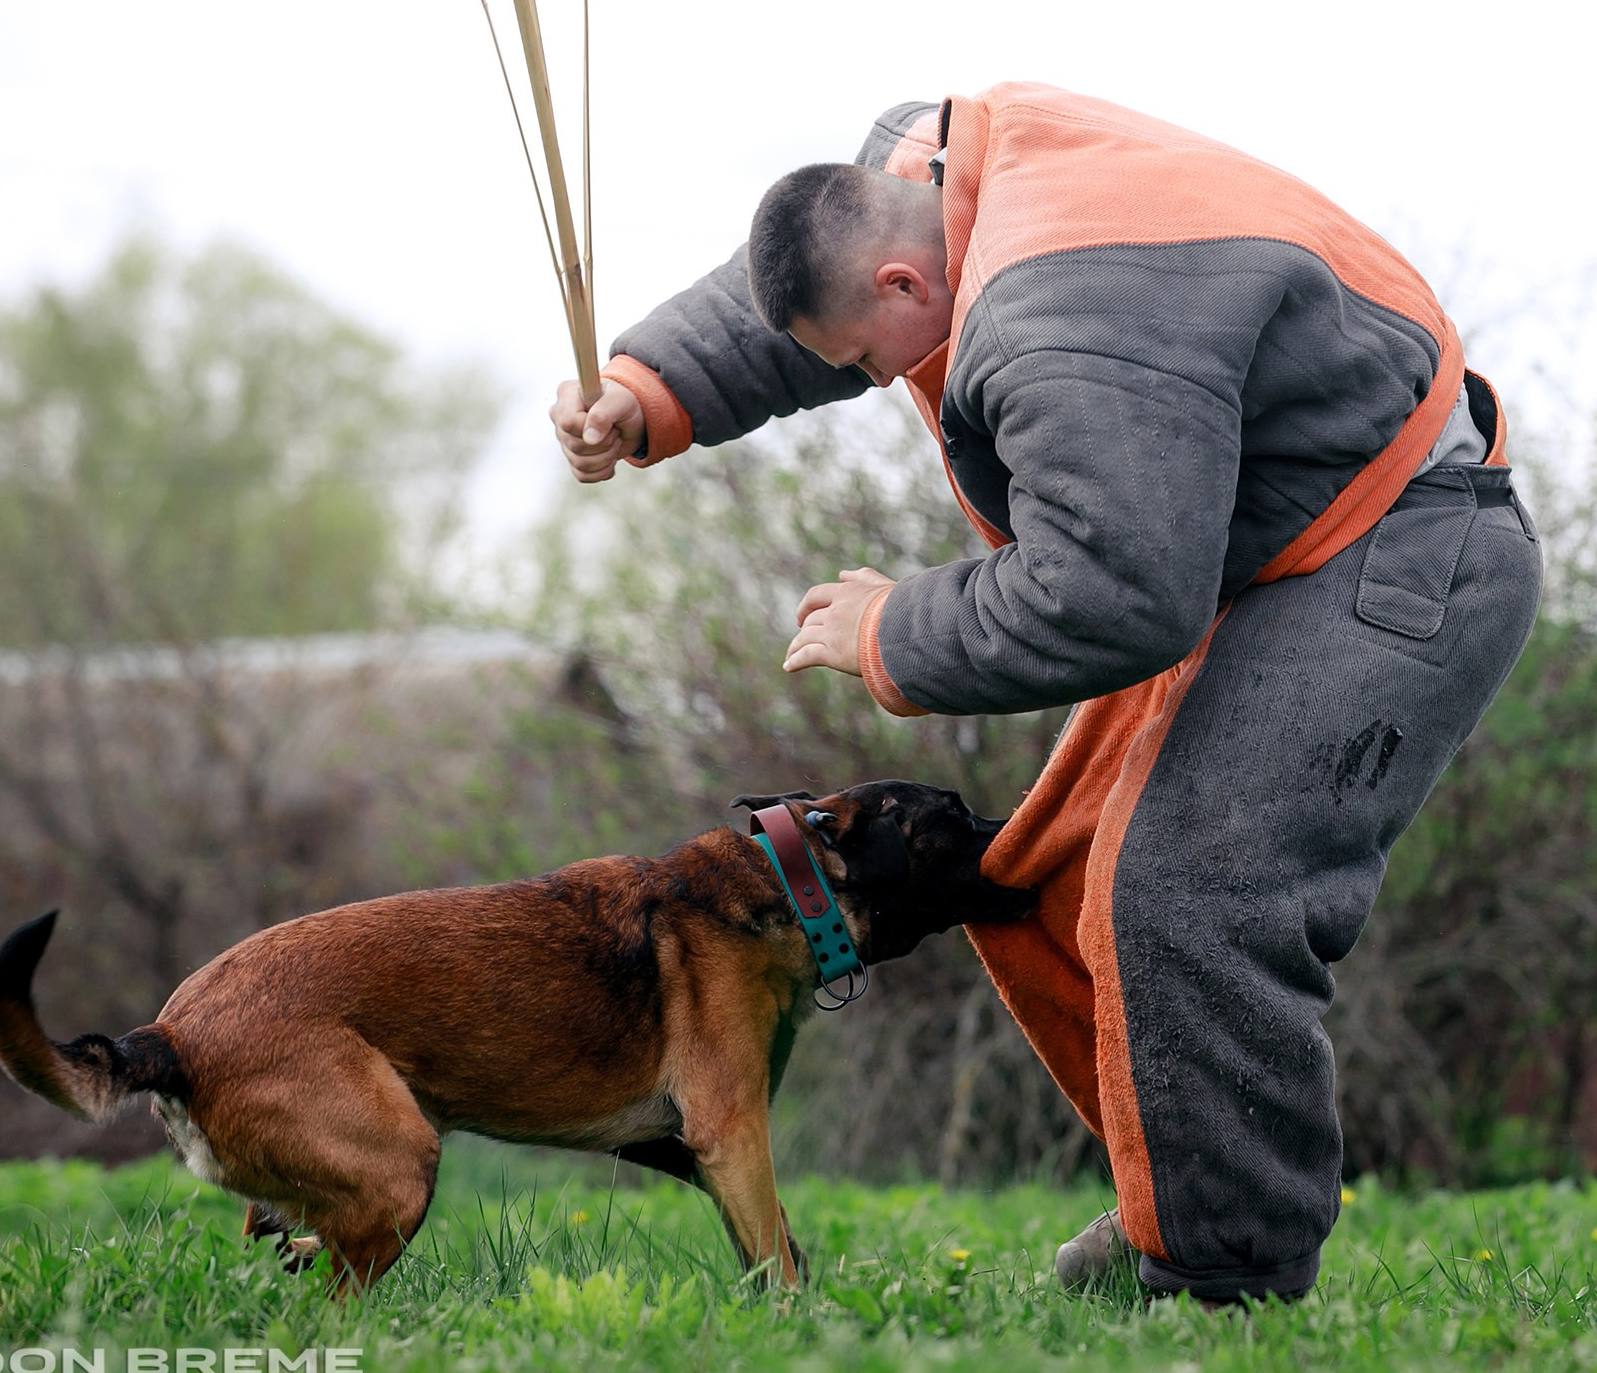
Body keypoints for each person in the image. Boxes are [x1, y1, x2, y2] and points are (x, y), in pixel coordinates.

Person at [549, 85, 1541, 1303]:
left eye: (866, 365)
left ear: (910, 294)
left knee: (1192, 880)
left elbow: (1119, 594)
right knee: (1052, 870)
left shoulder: (1063, 319)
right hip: (1289, 548)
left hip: (1402, 551)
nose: (867, 377)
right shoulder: (928, 171)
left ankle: (1217, 1272)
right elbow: (814, 268)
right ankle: (1184, 1211)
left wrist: (889, 632)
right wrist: (646, 394)